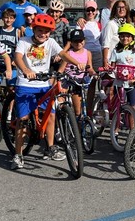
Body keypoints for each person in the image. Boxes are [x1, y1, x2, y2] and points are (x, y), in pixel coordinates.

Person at [11, 13, 85, 170]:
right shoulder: (24, 42)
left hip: (44, 84)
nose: (43, 34)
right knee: (23, 120)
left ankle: (50, 147)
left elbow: (63, 53)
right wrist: (25, 70)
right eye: (40, 31)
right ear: (34, 29)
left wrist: (77, 62)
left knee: (51, 114)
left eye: (46, 31)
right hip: (26, 84)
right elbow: (17, 57)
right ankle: (18, 154)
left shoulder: (50, 42)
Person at [108, 24, 135, 118]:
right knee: (118, 106)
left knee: (132, 106)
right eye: (122, 36)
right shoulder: (116, 50)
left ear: (132, 37)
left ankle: (132, 129)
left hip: (132, 82)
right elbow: (113, 65)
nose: (125, 38)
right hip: (119, 82)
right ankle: (115, 127)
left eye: (128, 36)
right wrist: (109, 68)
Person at [59, 29, 96, 117]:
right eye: (75, 41)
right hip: (68, 82)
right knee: (61, 102)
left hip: (79, 83)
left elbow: (89, 67)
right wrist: (59, 82)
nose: (78, 43)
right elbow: (61, 70)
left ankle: (78, 128)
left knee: (78, 111)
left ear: (84, 41)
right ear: (71, 42)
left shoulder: (88, 53)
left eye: (80, 40)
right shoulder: (68, 53)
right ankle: (61, 120)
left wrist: (94, 74)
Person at [101, 0, 129, 66]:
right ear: (115, 10)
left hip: (125, 60)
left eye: (123, 7)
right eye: (119, 7)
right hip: (112, 60)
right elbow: (105, 44)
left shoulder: (128, 25)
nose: (121, 9)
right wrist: (105, 60)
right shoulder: (110, 24)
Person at [0, 8, 19, 77]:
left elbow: (19, 47)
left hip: (11, 62)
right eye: (6, 18)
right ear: (2, 18)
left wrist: (16, 60)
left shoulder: (17, 31)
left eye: (11, 18)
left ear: (14, 19)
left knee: (11, 85)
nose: (8, 20)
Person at [81, 0, 103, 69]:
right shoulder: (81, 24)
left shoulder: (99, 25)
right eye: (88, 10)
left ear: (96, 11)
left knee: (97, 74)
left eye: (93, 10)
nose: (90, 12)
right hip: (85, 53)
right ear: (85, 11)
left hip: (97, 53)